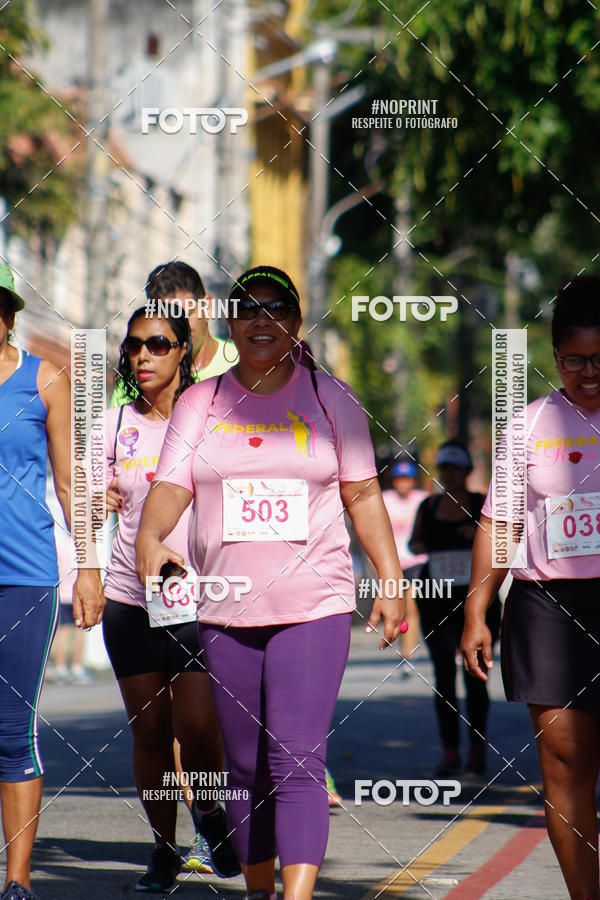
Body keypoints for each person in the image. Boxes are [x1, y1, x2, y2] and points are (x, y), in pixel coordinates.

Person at [135, 265, 406, 900]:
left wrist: (391, 583)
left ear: (296, 322)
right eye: (249, 310)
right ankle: (260, 890)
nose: (262, 321)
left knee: (296, 757)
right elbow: (171, 487)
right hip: (225, 609)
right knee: (247, 765)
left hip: (314, 605)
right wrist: (151, 536)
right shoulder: (202, 402)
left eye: (276, 309)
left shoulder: (332, 398)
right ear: (232, 322)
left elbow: (364, 496)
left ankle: (299, 894)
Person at [74, 304, 239, 892]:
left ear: (183, 352)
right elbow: (84, 502)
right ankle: (165, 848)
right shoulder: (114, 425)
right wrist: (87, 567)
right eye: (135, 345)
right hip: (128, 596)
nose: (144, 355)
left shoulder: (211, 418)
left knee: (198, 728)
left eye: (159, 345)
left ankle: (212, 814)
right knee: (149, 733)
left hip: (198, 598)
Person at [462, 275, 600, 900]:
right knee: (565, 765)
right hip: (549, 604)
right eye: (574, 359)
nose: (587, 373)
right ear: (555, 358)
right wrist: (476, 611)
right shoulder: (529, 425)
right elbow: (500, 521)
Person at [0, 264, 102, 900]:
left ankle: (16, 878)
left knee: (11, 728)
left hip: (23, 577)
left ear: (8, 314)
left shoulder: (45, 379)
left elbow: (73, 483)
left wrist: (88, 564)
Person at [410, 441, 501, 777]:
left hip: (478, 599)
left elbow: (503, 539)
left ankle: (477, 749)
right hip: (436, 599)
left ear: (466, 471)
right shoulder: (429, 506)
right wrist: (423, 546)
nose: (450, 474)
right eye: (445, 468)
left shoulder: (482, 504)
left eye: (456, 468)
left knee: (476, 676)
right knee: (444, 677)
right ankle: (450, 751)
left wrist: (475, 532)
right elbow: (414, 542)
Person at [110, 261, 236, 407]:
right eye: (164, 319)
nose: (176, 330)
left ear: (206, 307)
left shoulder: (242, 365)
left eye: (184, 315)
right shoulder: (139, 379)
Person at [382, 458, 428, 671]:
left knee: (412, 606)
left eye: (407, 479)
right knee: (398, 610)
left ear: (413, 481)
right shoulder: (385, 500)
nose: (403, 483)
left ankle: (408, 656)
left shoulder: (423, 499)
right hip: (393, 564)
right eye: (399, 479)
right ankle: (406, 649)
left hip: (416, 562)